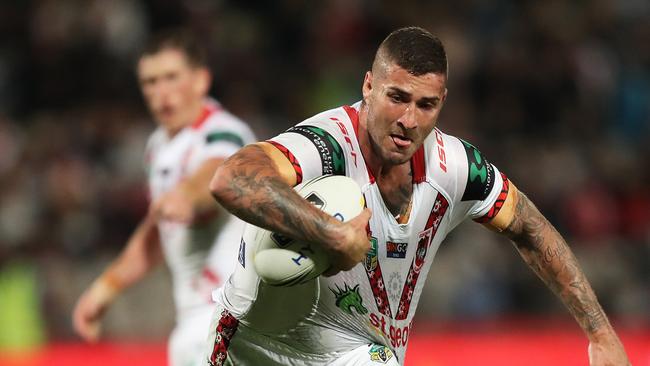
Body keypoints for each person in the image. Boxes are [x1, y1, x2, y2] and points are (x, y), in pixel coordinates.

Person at [207, 27, 630, 366]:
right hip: (255, 349)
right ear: (369, 86)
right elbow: (232, 179)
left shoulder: (456, 167)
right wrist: (331, 234)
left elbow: (530, 228)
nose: (409, 120)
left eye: (426, 105)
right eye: (397, 97)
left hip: (359, 354)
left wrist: (600, 335)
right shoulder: (327, 145)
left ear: (443, 101)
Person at [72, 29, 256, 366]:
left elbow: (217, 173)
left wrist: (186, 196)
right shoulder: (158, 146)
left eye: (171, 77)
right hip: (193, 322)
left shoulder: (224, 132)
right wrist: (106, 288)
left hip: (232, 317)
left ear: (201, 80)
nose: (161, 92)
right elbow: (157, 233)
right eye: (150, 82)